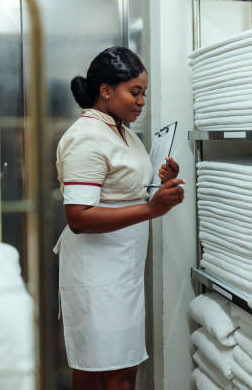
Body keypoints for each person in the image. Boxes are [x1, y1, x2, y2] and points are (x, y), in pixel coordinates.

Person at [55, 46, 184, 390]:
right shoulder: (86, 138)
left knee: (111, 365)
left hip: (120, 270)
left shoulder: (123, 132)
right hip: (97, 273)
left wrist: (162, 180)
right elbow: (79, 217)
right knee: (111, 370)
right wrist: (152, 210)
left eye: (144, 93)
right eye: (135, 92)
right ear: (106, 90)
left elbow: (127, 190)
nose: (142, 102)